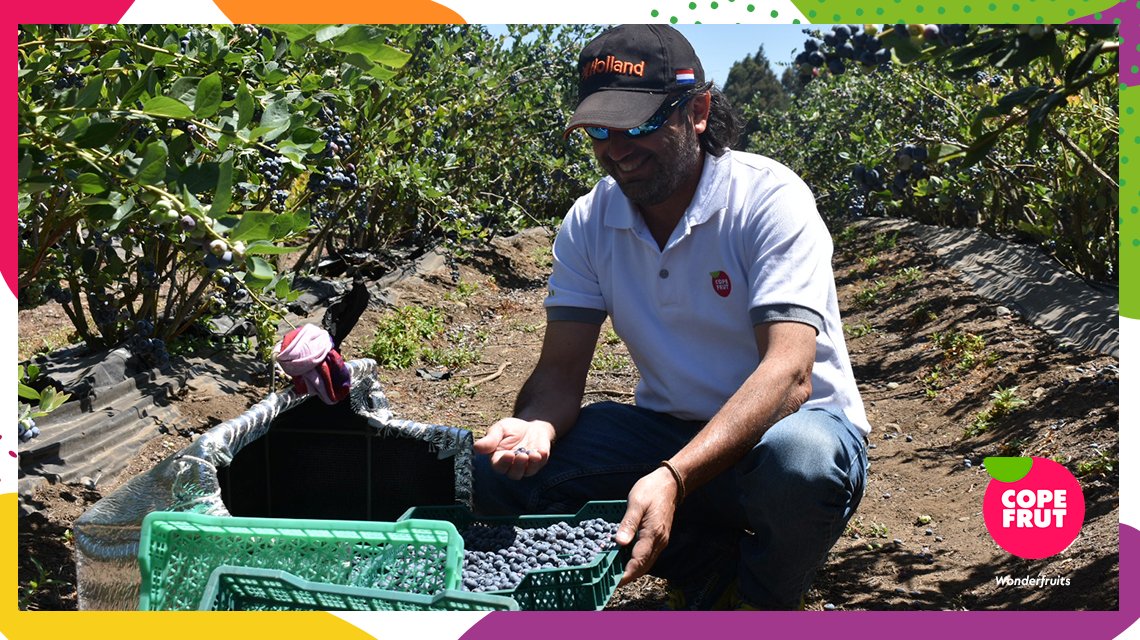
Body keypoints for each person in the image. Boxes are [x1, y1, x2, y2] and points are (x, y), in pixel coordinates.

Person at [472, 24, 870, 610]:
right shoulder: (590, 222)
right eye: (600, 131)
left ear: (698, 112)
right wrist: (536, 427)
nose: (616, 149)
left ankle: (760, 602)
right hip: (668, 432)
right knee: (497, 475)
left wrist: (674, 477)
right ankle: (709, 565)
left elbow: (789, 376)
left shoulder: (767, 200)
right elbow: (558, 375)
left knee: (800, 466)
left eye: (638, 126)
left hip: (785, 434)